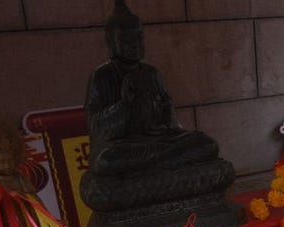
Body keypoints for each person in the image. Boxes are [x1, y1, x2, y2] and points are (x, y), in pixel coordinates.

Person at [84, 0, 219, 178]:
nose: (135, 44)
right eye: (126, 39)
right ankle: (165, 169)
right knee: (106, 160)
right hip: (126, 146)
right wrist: (123, 105)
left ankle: (156, 169)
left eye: (139, 37)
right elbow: (96, 129)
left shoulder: (151, 73)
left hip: (158, 142)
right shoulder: (102, 76)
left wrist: (165, 111)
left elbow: (170, 125)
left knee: (206, 144)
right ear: (111, 41)